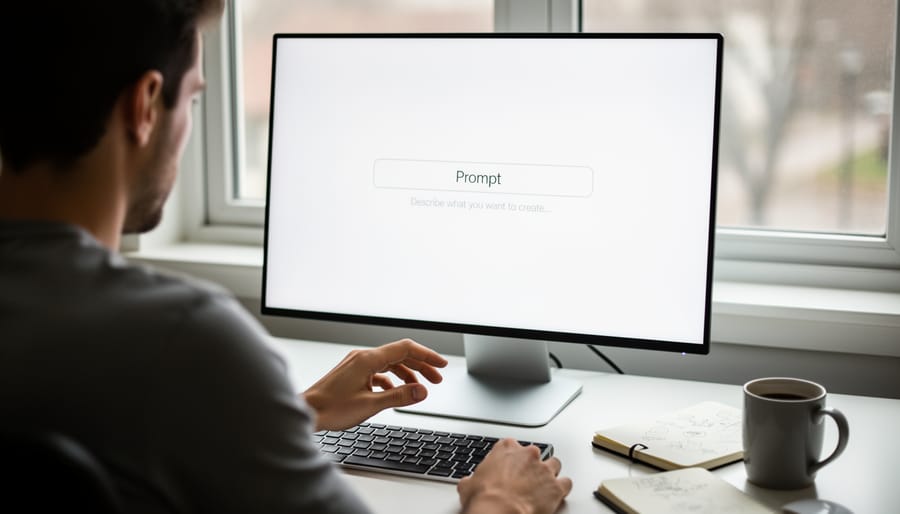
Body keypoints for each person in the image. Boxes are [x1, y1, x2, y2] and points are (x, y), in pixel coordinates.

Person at [0, 2, 572, 513]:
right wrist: (503, 501)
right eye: (196, 97)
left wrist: (295, 411)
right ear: (146, 104)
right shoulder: (182, 339)